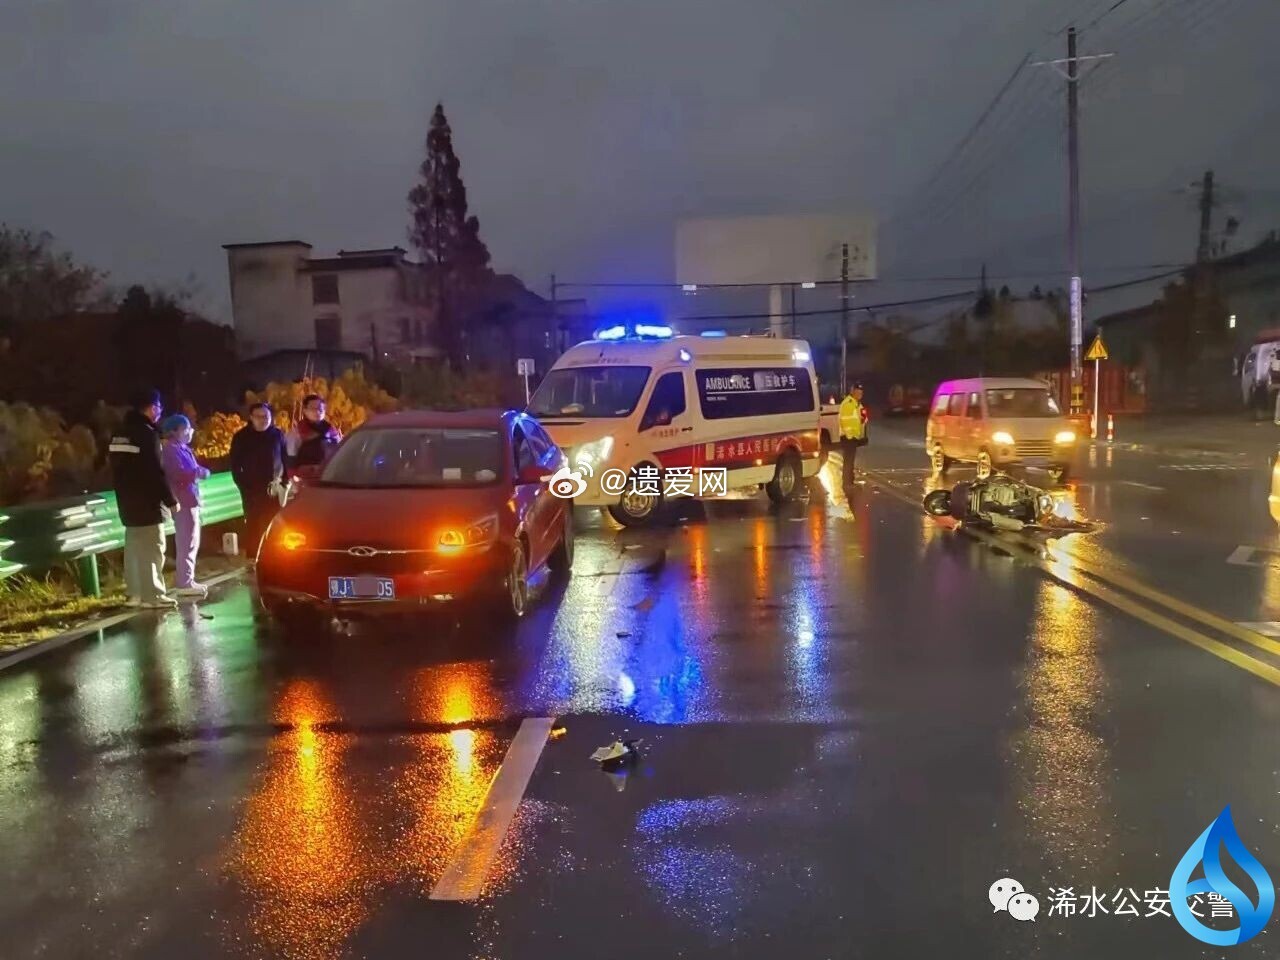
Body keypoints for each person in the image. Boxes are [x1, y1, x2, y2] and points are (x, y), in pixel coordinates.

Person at [109, 388, 179, 608]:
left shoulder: (119, 433)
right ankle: (154, 594)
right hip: (148, 503)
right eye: (158, 407)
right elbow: (154, 471)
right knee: (153, 548)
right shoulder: (147, 434)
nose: (159, 412)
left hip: (127, 501)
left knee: (134, 549)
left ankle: (134, 594)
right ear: (151, 408)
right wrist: (170, 500)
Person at [159, 414, 211, 598]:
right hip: (183, 501)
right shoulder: (171, 450)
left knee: (191, 541)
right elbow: (178, 474)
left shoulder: (182, 448)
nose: (190, 432)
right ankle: (184, 582)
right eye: (186, 429)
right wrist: (198, 472)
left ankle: (188, 579)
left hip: (190, 499)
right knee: (187, 542)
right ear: (175, 431)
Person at [230, 402, 288, 559]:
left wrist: (284, 483)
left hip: (274, 488)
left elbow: (285, 459)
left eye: (266, 416)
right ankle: (252, 560)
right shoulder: (241, 437)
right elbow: (235, 466)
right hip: (252, 490)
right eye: (259, 417)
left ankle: (275, 557)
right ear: (251, 418)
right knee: (253, 527)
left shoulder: (277, 435)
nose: (263, 420)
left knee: (275, 525)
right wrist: (244, 487)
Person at [286, 393, 342, 470]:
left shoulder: (332, 431)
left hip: (329, 473)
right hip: (306, 476)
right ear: (305, 411)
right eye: (313, 408)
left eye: (320, 408)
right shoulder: (297, 432)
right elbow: (290, 459)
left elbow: (340, 452)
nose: (317, 412)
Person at [838, 381, 868, 487]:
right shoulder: (848, 403)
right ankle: (847, 481)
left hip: (854, 436)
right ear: (853, 391)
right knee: (848, 460)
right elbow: (843, 420)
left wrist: (864, 418)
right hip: (848, 437)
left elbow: (861, 419)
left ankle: (849, 480)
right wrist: (849, 435)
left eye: (861, 393)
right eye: (858, 392)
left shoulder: (857, 404)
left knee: (850, 460)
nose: (860, 394)